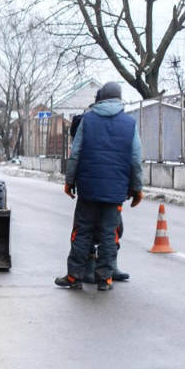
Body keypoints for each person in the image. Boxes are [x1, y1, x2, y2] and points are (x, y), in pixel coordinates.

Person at [57, 81, 143, 291]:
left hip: (88, 188)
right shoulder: (129, 124)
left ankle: (74, 277)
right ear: (119, 99)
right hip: (115, 191)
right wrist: (137, 189)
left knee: (82, 231)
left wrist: (69, 182)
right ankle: (105, 279)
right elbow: (135, 159)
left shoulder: (87, 120)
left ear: (100, 98)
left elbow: (75, 154)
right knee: (108, 233)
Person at [70, 104, 130, 283]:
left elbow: (130, 156)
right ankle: (90, 267)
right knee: (87, 229)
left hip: (111, 187)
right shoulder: (85, 120)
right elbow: (76, 153)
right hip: (92, 186)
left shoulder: (121, 123)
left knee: (112, 229)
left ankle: (108, 267)